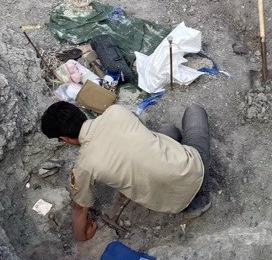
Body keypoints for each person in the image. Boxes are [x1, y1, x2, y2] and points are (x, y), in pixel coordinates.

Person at [40, 102, 212, 242]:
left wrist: (81, 237)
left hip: (174, 203)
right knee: (193, 111)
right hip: (193, 168)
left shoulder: (84, 166)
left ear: (64, 139)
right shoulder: (116, 111)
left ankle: (195, 205)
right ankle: (196, 196)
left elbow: (79, 209)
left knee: (169, 130)